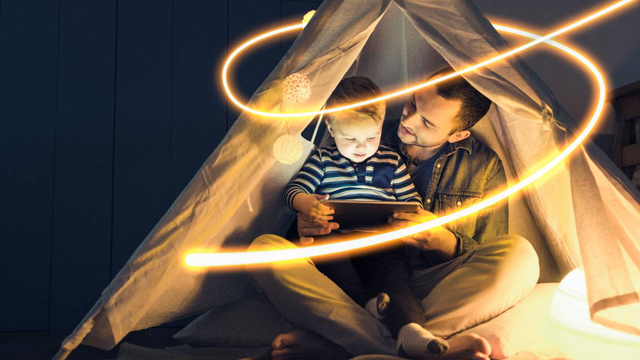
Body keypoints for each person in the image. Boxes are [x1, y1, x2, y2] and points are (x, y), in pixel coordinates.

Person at [246, 67, 540, 360]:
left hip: (430, 284)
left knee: (521, 255)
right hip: (351, 274)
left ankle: (344, 344)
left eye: (426, 121)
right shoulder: (363, 127)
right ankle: (414, 343)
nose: (408, 119)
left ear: (458, 134)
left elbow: (486, 252)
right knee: (264, 252)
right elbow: (310, 195)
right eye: (413, 102)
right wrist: (307, 223)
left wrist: (442, 241)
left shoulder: (482, 166)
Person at [284, 76, 451, 358]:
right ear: (331, 127)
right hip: (335, 237)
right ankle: (368, 304)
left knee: (396, 278)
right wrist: (306, 203)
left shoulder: (390, 160)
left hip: (382, 241)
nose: (361, 147)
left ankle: (411, 329)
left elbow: (412, 200)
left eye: (371, 137)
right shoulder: (323, 159)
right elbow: (294, 190)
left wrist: (412, 216)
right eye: (350, 139)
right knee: (334, 268)